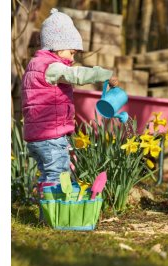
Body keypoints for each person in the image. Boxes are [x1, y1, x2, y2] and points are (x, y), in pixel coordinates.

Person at [21, 8, 119, 198]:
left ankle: (46, 212)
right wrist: (104, 74)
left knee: (48, 175)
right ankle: (55, 213)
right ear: (58, 47)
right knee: (57, 175)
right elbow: (76, 75)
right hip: (51, 136)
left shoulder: (34, 65)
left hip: (37, 136)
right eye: (72, 53)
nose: (72, 59)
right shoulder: (52, 67)